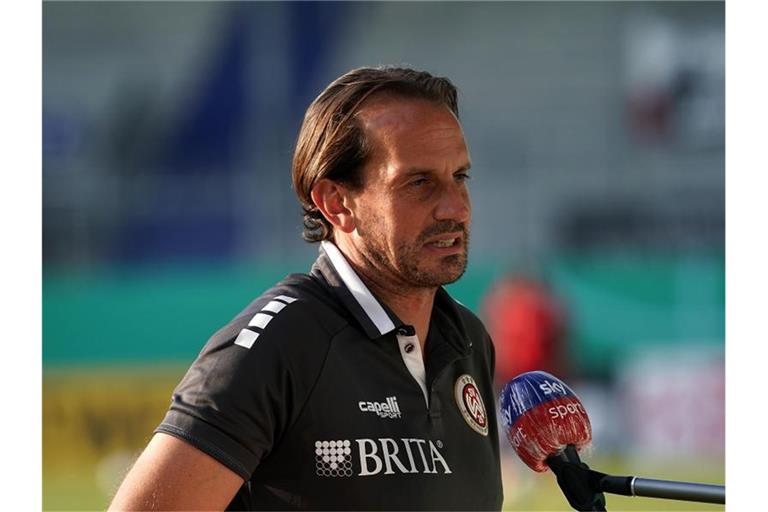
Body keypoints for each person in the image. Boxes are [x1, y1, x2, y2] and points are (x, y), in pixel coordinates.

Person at [109, 66, 503, 511]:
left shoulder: (468, 339)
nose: (455, 207)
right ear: (337, 203)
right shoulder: (273, 348)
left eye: (460, 177)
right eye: (418, 183)